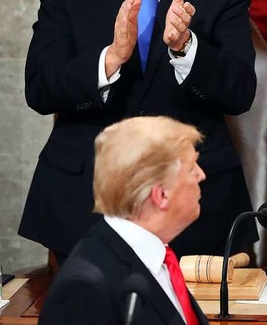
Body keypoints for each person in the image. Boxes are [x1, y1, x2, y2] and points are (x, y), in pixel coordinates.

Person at [19, 0, 258, 266]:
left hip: (195, 205)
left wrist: (186, 47)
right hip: (84, 201)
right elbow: (40, 89)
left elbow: (240, 93)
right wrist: (111, 58)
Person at [39, 116, 209, 324]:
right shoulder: (84, 288)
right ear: (161, 195)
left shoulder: (159, 259)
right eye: (192, 168)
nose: (202, 175)